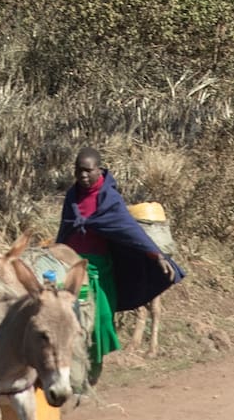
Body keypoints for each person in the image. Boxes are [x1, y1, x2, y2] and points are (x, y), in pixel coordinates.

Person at [56, 149, 183, 384]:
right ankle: (69, 375)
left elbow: (128, 229)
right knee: (66, 319)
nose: (82, 175)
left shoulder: (109, 198)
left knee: (102, 320)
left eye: (88, 170)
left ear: (99, 169)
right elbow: (65, 230)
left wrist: (157, 255)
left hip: (99, 269)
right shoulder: (72, 195)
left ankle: (91, 373)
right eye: (78, 170)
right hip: (71, 267)